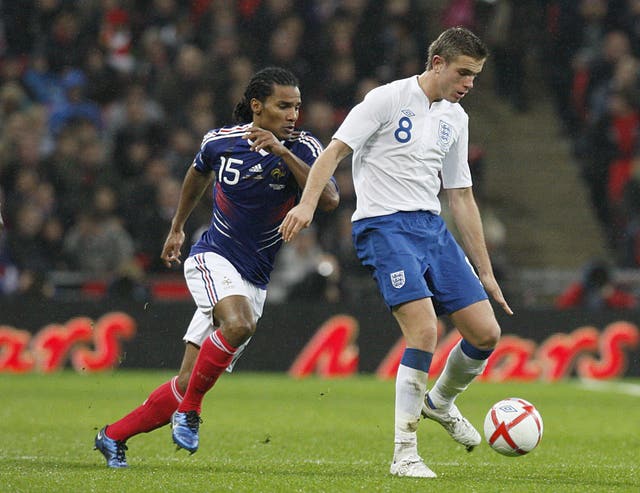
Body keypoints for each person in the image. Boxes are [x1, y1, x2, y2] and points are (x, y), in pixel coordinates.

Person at [279, 27, 513, 479]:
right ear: (438, 63)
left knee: (486, 333)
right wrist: (307, 205)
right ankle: (404, 453)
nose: (469, 84)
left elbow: (461, 196)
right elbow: (333, 154)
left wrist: (485, 271)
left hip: (431, 227)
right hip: (384, 225)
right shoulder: (385, 99)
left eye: (476, 76)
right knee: (424, 329)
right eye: (464, 73)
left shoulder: (456, 118)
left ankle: (440, 402)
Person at [94, 66, 339, 467]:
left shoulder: (306, 147)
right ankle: (190, 412)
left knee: (188, 381)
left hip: (255, 277)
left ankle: (112, 435)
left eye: (296, 106)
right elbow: (197, 174)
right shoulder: (221, 141)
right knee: (239, 325)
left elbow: (327, 198)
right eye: (283, 106)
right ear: (257, 106)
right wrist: (176, 228)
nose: (293, 114)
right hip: (213, 257)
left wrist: (280, 150)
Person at [555, 259, 637, 310]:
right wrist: (579, 288)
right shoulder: (579, 290)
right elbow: (562, 307)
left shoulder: (613, 292)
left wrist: (611, 296)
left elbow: (630, 305)